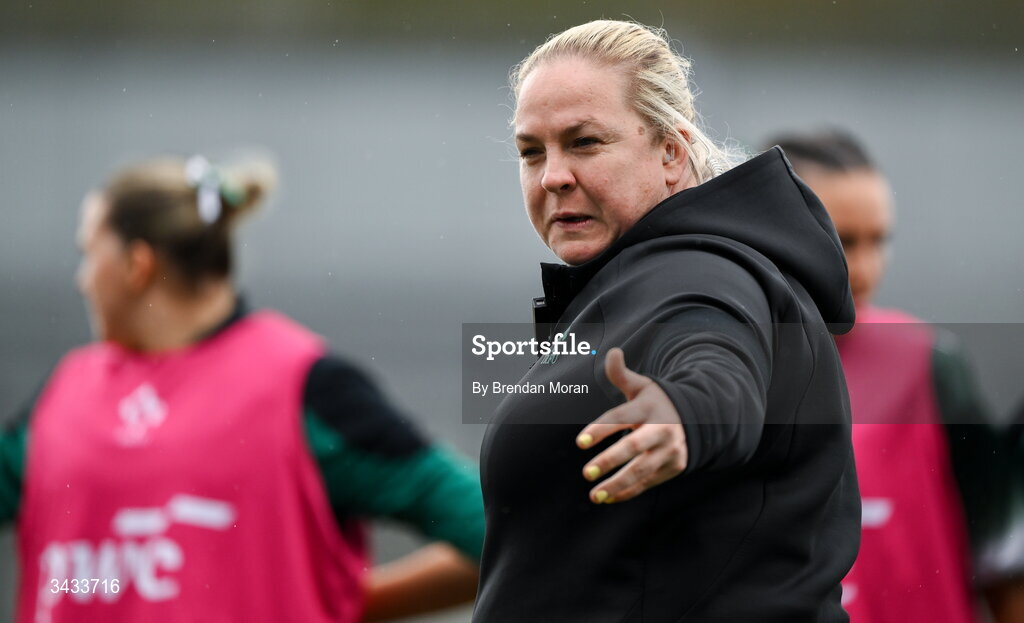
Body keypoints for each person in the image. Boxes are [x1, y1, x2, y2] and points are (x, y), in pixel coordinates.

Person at [474, 20, 860, 622]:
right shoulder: (652, 277)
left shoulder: (697, 275)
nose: (553, 175)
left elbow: (714, 362)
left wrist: (682, 415)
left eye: (584, 142)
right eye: (532, 151)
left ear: (671, 152)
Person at [0, 155, 482, 622]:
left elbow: (500, 528)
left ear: (137, 265)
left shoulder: (302, 388)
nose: (81, 280)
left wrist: (346, 602)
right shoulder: (64, 392)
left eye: (88, 253)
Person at [767, 128, 1019, 622]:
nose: (864, 267)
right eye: (843, 241)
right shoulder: (722, 365)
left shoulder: (928, 365)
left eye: (878, 240)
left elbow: (1002, 556)